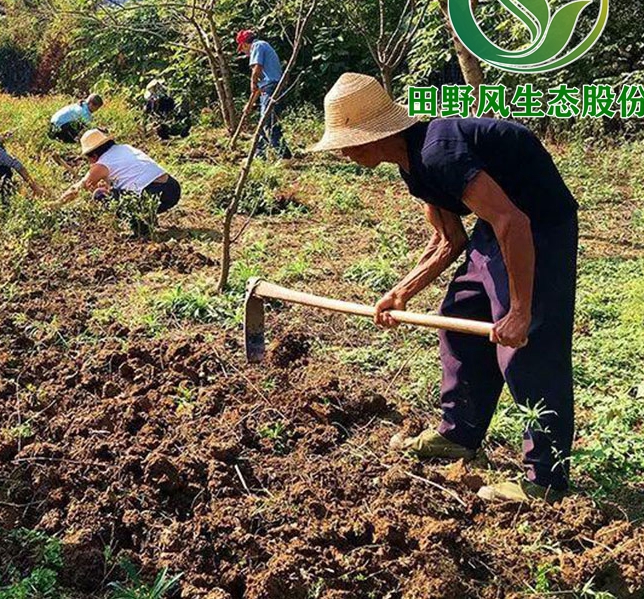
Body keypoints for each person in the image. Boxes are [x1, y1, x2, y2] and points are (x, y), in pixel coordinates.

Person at [312, 72, 579, 504]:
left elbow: (515, 221)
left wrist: (521, 311)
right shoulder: (412, 165)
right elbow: (451, 240)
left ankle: (546, 479)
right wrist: (402, 292)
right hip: (499, 226)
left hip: (539, 225)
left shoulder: (439, 153)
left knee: (526, 346)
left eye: (345, 140)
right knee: (459, 319)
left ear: (371, 136)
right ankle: (460, 435)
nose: (342, 152)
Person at [55, 128, 181, 215]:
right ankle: (148, 218)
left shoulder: (101, 164)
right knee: (115, 192)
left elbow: (76, 189)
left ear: (93, 155)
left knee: (100, 195)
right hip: (172, 188)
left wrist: (57, 204)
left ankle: (141, 229)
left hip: (154, 194)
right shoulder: (125, 148)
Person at [236, 29, 286, 157]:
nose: (244, 53)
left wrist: (252, 82)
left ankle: (285, 157)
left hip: (271, 88)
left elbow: (256, 70)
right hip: (269, 88)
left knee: (268, 124)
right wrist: (249, 104)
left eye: (242, 49)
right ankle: (259, 156)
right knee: (262, 125)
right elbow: (258, 88)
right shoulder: (263, 48)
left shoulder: (258, 46)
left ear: (246, 44)